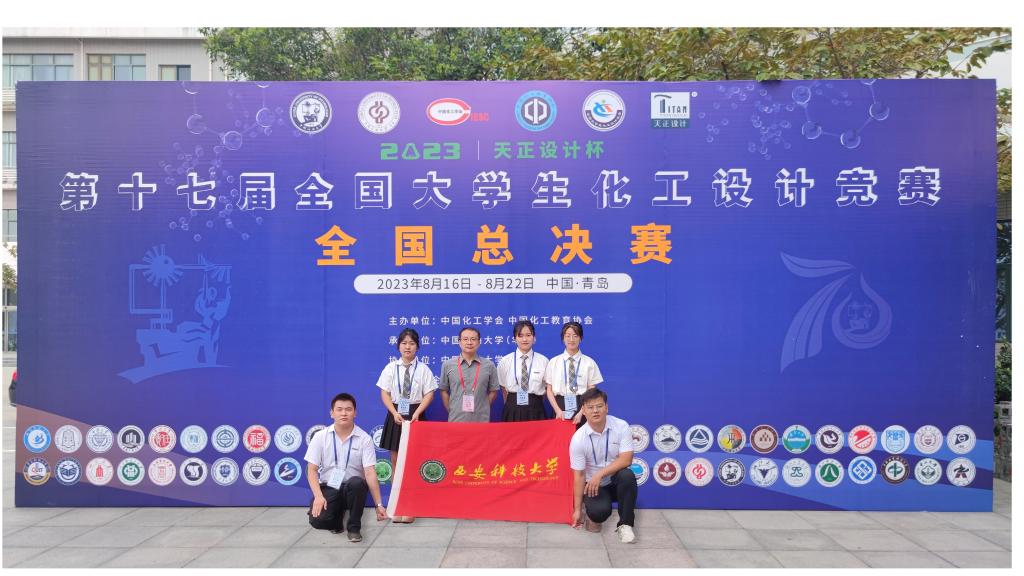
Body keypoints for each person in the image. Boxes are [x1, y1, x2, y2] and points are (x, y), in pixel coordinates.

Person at [305, 392, 388, 542]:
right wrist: (318, 496)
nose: (344, 413)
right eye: (339, 409)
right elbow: (312, 470)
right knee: (318, 521)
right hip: (330, 486)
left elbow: (370, 472)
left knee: (356, 483)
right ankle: (336, 521)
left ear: (355, 413)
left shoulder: (364, 439)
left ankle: (354, 528)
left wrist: (379, 504)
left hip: (353, 488)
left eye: (348, 409)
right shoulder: (320, 437)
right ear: (332, 413)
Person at [376, 328, 436, 523]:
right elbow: (385, 393)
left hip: (416, 414)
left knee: (413, 461)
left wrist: (418, 412)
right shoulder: (390, 368)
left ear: (417, 346)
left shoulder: (423, 369)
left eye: (411, 343)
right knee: (395, 461)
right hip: (396, 415)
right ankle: (396, 505)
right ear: (398, 346)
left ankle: (410, 506)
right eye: (404, 343)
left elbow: (429, 393)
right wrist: (394, 412)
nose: (407, 347)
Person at [569, 388, 637, 543]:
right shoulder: (578, 439)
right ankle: (591, 513)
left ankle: (625, 525)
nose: (595, 411)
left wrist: (599, 474)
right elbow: (579, 475)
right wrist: (577, 510)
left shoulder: (621, 426)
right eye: (590, 407)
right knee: (599, 513)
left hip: (615, 479)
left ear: (606, 407)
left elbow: (626, 459)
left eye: (599, 406)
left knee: (627, 476)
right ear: (583, 411)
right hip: (593, 486)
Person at [544, 321, 603, 427]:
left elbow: (591, 390)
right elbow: (549, 390)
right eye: (568, 336)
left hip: (582, 406)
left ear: (580, 338)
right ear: (563, 338)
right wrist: (557, 410)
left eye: (575, 336)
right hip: (560, 407)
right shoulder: (554, 362)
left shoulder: (589, 363)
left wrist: (582, 412)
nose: (571, 339)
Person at [439, 326, 499, 422]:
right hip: (456, 419)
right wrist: (452, 409)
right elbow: (443, 391)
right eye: (465, 339)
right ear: (459, 342)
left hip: (481, 419)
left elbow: (494, 391)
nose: (469, 342)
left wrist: (483, 406)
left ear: (479, 342)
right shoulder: (448, 365)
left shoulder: (489, 365)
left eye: (473, 339)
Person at [497, 320, 550, 421]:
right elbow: (503, 388)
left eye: (528, 335)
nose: (524, 339)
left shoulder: (543, 361)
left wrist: (534, 401)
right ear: (515, 339)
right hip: (512, 408)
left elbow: (547, 389)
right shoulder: (505, 361)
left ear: (534, 338)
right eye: (520, 336)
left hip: (536, 408)